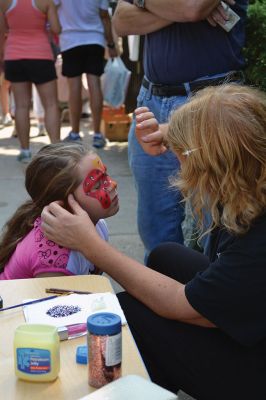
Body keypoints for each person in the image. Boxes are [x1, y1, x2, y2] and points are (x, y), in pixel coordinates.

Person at [41, 84, 266, 399]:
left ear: (215, 164)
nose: (177, 159)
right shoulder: (251, 172)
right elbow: (230, 125)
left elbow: (179, 304)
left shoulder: (257, 245)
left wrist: (90, 245)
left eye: (183, 153)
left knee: (128, 313)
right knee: (166, 257)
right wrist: (171, 134)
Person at [112, 0, 248, 261]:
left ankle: (215, 300)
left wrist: (152, 7)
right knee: (155, 233)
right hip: (151, 102)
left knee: (218, 230)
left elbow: (191, 7)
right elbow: (121, 22)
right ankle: (161, 298)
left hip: (210, 105)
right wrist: (178, 10)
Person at [0, 142, 119, 279]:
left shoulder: (98, 225)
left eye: (106, 174)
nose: (112, 184)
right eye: (97, 185)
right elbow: (60, 301)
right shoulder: (54, 261)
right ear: (63, 204)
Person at [0, 0, 61, 163]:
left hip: (13, 55)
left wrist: (3, 54)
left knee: (21, 105)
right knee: (51, 104)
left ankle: (25, 151)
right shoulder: (46, 1)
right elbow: (56, 29)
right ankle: (57, 150)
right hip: (41, 55)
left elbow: (2, 30)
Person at [54, 0, 118, 148]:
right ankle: (97, 134)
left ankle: (75, 133)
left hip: (70, 40)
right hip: (95, 39)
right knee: (94, 84)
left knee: (74, 87)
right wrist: (111, 44)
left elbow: (52, 8)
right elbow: (105, 16)